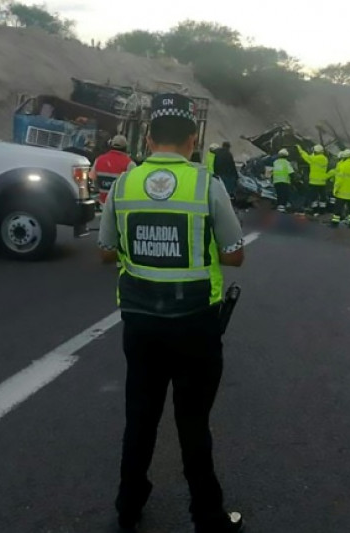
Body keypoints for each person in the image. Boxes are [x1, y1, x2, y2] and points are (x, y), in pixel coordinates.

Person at [97, 93, 246, 533]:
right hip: (195, 323)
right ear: (192, 140)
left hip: (140, 322)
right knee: (193, 422)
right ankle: (208, 516)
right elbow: (235, 254)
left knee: (140, 417)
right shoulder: (206, 185)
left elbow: (105, 251)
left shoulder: (124, 184)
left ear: (147, 137)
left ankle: (128, 505)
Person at [89, 134, 136, 205]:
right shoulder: (130, 164)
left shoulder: (98, 160)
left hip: (103, 204)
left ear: (111, 146)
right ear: (126, 148)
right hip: (119, 206)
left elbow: (93, 181)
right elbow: (132, 188)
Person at [329, 149, 350, 228]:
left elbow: (339, 181)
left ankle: (335, 224)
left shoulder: (342, 166)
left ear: (344, 157)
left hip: (341, 193)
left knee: (338, 210)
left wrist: (335, 190)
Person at [296, 144, 329, 213]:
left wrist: (300, 149)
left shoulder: (313, 159)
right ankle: (322, 211)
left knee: (313, 197)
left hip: (314, 182)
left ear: (315, 151)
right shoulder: (325, 159)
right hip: (322, 182)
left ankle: (314, 210)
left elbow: (305, 157)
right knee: (322, 197)